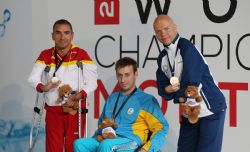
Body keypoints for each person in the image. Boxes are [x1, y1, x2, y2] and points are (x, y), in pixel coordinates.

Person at [153, 14, 227, 152]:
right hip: (189, 112)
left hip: (211, 109)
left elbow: (192, 81)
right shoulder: (162, 58)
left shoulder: (187, 48)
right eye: (158, 31)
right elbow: (162, 88)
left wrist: (176, 95)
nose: (163, 33)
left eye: (166, 28)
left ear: (175, 27)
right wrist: (168, 90)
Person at [28, 19, 98, 152]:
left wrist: (79, 95)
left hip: (74, 110)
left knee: (75, 148)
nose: (62, 37)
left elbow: (92, 81)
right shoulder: (46, 55)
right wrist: (43, 87)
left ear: (72, 35)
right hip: (54, 111)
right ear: (52, 35)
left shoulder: (81, 54)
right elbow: (32, 78)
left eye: (66, 33)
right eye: (58, 33)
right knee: (53, 149)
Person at [74, 57, 169, 152]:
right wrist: (100, 133)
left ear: (136, 74)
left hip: (131, 141)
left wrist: (146, 149)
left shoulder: (147, 100)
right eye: (120, 75)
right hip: (108, 138)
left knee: (106, 145)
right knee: (79, 144)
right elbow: (101, 123)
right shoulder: (112, 98)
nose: (123, 80)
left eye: (127, 75)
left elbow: (162, 128)